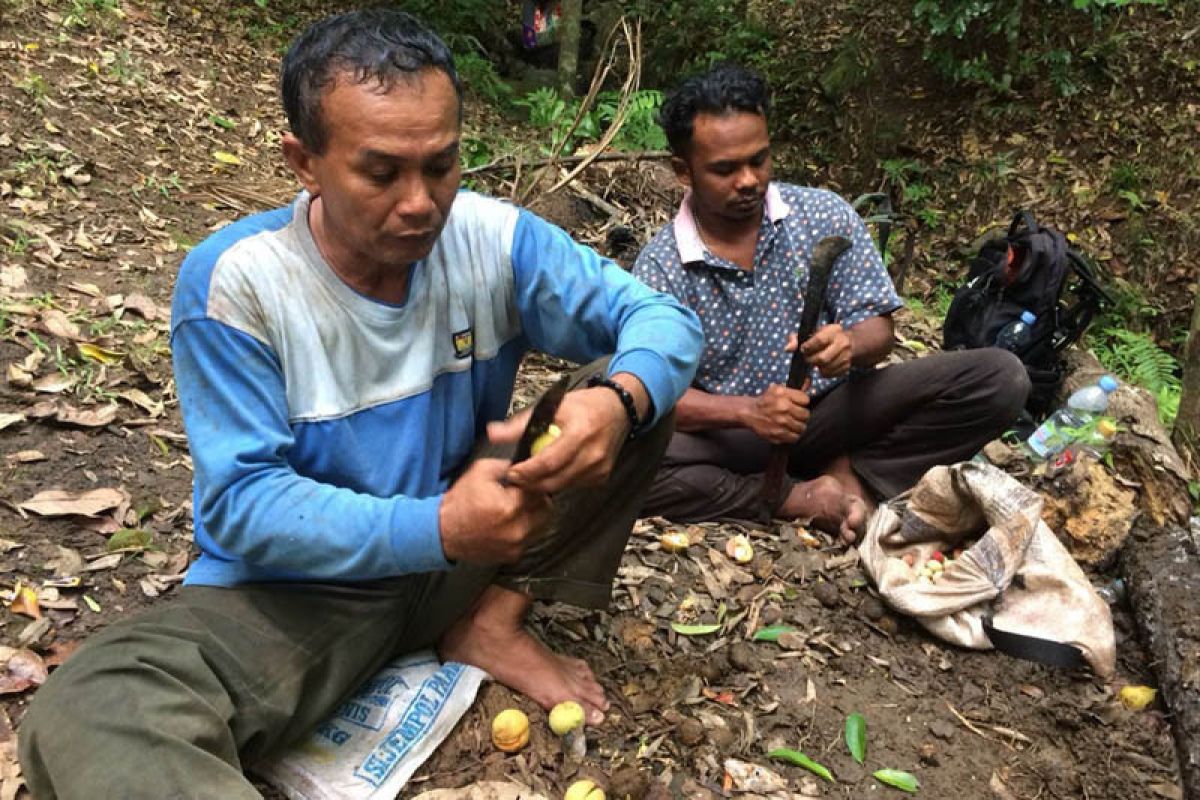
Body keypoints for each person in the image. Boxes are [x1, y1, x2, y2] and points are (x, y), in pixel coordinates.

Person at [18, 11, 702, 798]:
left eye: (442, 166)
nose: (420, 203)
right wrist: (436, 528)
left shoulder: (493, 240)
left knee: (634, 382)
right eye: (382, 173)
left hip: (464, 547)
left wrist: (619, 401)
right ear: (303, 162)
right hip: (302, 596)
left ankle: (490, 620)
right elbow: (243, 504)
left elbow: (665, 321)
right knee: (99, 705)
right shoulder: (239, 285)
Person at [632, 64, 1029, 541]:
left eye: (759, 160)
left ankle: (854, 477)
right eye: (724, 169)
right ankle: (794, 498)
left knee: (1000, 379)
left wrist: (849, 344)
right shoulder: (662, 267)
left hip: (833, 413)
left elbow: (879, 330)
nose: (749, 180)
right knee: (621, 456)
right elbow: (657, 391)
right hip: (735, 437)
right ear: (683, 171)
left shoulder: (821, 214)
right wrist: (748, 412)